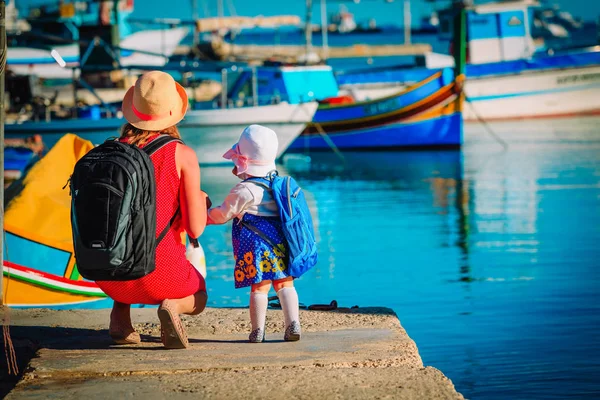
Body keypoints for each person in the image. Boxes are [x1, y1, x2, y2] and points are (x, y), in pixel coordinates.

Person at [95, 70, 209, 349]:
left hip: (107, 275)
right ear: (174, 111)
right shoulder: (182, 155)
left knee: (126, 236)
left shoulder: (110, 152)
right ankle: (172, 307)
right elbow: (195, 228)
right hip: (160, 277)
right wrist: (199, 202)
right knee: (200, 294)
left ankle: (120, 318)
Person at [207, 125, 301, 343]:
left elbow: (223, 214)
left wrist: (204, 215)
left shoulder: (245, 190)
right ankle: (293, 324)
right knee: (285, 283)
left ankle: (258, 331)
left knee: (259, 287)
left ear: (243, 161)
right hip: (282, 242)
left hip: (256, 245)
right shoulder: (280, 185)